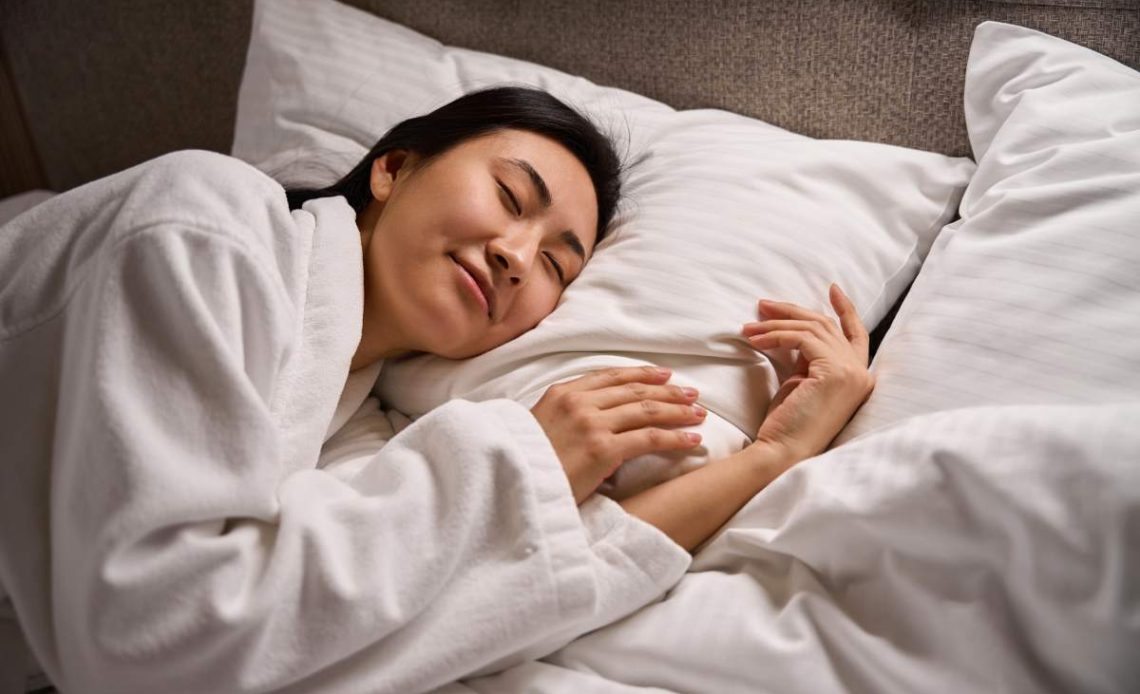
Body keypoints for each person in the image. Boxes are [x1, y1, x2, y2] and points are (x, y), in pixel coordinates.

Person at [0, 86, 872, 693]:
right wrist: (522, 456)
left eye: (556, 265)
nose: (516, 255)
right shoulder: (205, 222)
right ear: (392, 168)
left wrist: (775, 455)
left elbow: (502, 593)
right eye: (507, 195)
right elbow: (147, 637)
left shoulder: (356, 428)